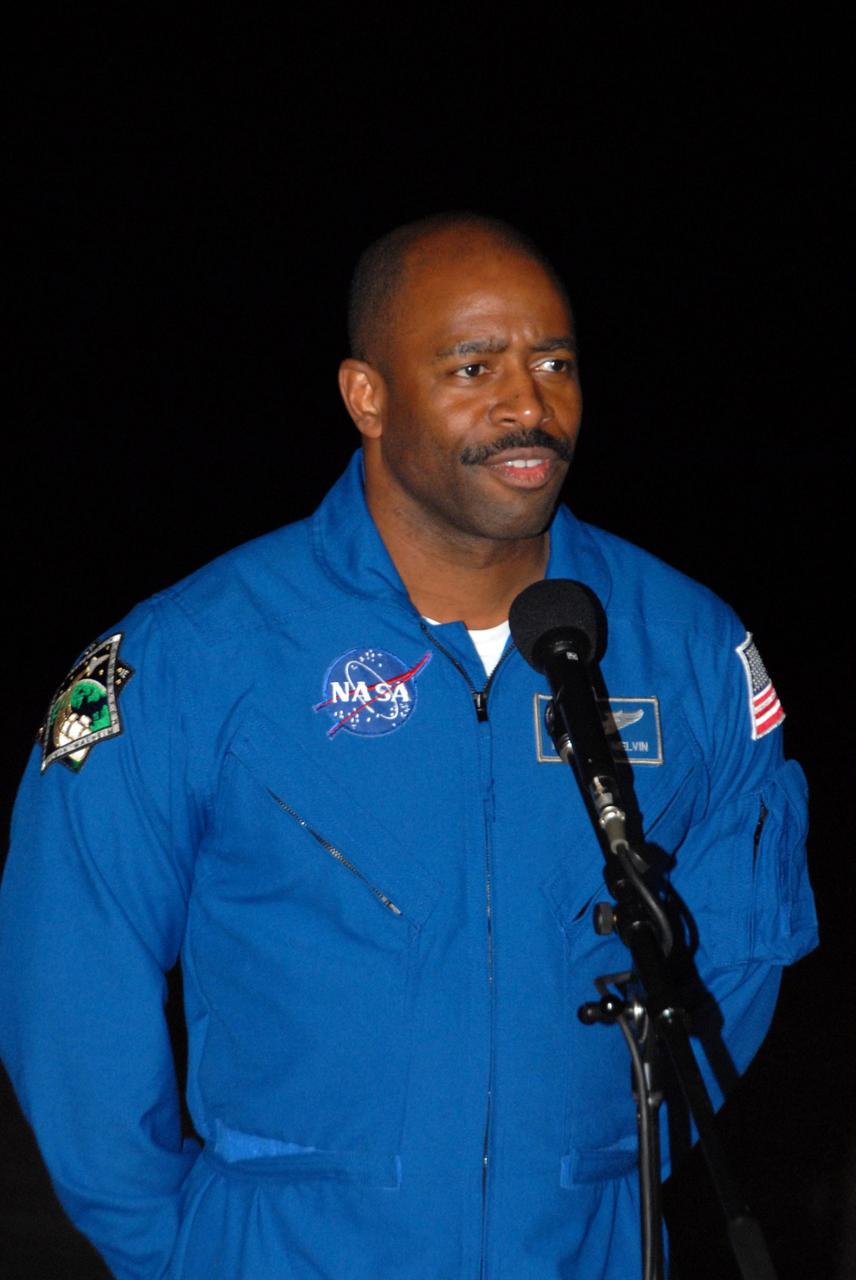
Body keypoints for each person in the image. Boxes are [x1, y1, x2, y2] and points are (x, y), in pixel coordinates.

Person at [0, 214, 817, 1279]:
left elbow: (738, 960)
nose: (528, 405)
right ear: (367, 395)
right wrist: (176, 1246)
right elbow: (72, 982)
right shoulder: (195, 655)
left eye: (554, 362)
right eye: (473, 366)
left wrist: (599, 1162)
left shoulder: (688, 645)